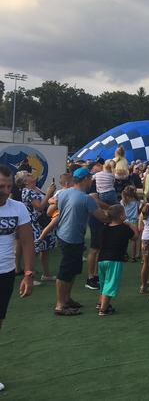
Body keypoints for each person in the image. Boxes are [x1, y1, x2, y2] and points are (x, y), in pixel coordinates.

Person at [51, 167, 108, 315]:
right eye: (90, 178)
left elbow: (55, 207)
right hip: (71, 237)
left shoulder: (64, 193)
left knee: (72, 270)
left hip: (66, 235)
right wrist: (116, 214)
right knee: (65, 272)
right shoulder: (87, 198)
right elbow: (102, 217)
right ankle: (60, 305)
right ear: (84, 180)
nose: (91, 181)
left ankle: (66, 299)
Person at [0, 165, 35, 392]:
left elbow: (27, 241)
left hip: (5, 274)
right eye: (1, 186)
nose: (6, 190)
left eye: (9, 186)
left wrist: (29, 274)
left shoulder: (18, 208)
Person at [97, 204, 139, 315]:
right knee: (110, 283)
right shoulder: (124, 228)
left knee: (103, 282)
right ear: (121, 216)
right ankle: (104, 309)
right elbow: (135, 237)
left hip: (102, 259)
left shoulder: (104, 228)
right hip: (114, 260)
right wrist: (131, 225)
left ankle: (100, 302)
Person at [15, 171, 56, 283]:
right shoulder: (27, 192)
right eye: (28, 175)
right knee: (34, 251)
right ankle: (29, 277)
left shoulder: (35, 188)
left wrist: (50, 195)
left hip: (43, 223)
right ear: (24, 182)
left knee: (45, 249)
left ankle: (46, 274)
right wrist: (49, 193)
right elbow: (39, 207)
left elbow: (44, 202)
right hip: (35, 225)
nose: (31, 174)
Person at [121, 186, 141, 261]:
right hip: (134, 221)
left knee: (124, 239)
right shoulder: (136, 202)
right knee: (134, 239)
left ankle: (124, 254)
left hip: (125, 221)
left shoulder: (122, 202)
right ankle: (134, 256)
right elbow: (139, 210)